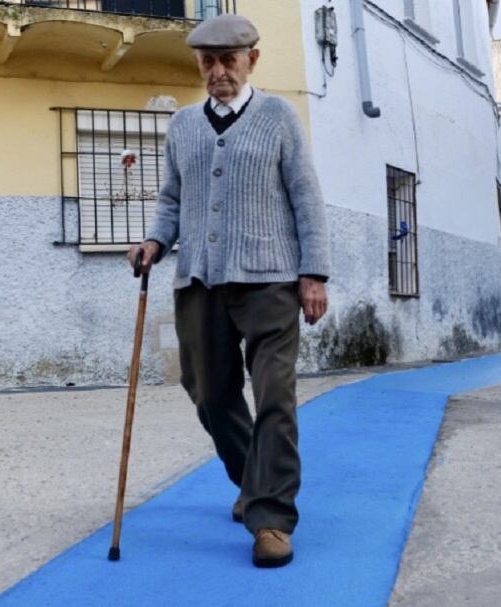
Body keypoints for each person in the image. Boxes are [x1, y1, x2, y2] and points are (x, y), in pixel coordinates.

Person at [127, 13, 330, 568]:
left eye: (229, 61)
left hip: (270, 280)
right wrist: (154, 242)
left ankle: (271, 519)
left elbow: (306, 198)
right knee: (211, 396)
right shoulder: (184, 126)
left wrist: (314, 274)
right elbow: (172, 199)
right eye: (208, 62)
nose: (218, 71)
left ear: (252, 61)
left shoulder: (279, 117)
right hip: (199, 278)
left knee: (274, 398)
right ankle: (252, 481)